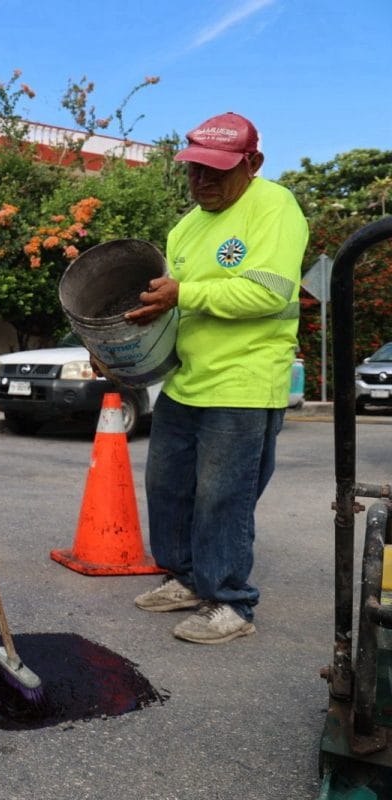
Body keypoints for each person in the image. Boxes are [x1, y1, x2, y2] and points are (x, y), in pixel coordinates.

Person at [126, 112, 308, 644]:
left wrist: (185, 293)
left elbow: (268, 292)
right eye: (194, 169)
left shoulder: (274, 205)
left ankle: (230, 602)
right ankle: (186, 578)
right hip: (187, 380)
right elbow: (170, 309)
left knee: (223, 495)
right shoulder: (185, 227)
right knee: (167, 487)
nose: (201, 180)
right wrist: (121, 351)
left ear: (253, 163)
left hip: (245, 379)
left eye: (216, 170)